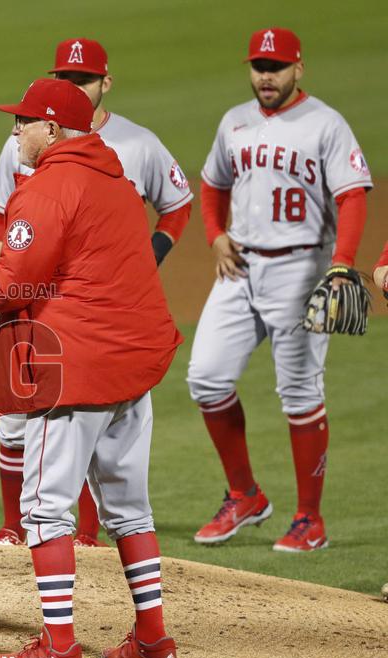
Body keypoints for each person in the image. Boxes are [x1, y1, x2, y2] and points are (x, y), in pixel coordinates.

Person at [0, 78, 182, 658]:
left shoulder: (47, 189)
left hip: (74, 371)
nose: (14, 132)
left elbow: (10, 284)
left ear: (54, 131)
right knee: (131, 510)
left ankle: (59, 650)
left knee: (43, 510)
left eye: (24, 123)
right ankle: (153, 640)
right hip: (132, 369)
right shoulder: (116, 180)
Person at [0, 37, 192, 549]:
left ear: (105, 83)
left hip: (85, 322)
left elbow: (178, 204)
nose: (71, 86)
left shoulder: (134, 145)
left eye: (82, 79)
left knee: (79, 430)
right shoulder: (23, 142)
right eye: (64, 77)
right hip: (32, 306)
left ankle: (81, 549)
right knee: (17, 427)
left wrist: (149, 256)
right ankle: (15, 530)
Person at [189, 27, 371, 551]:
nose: (266, 76)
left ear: (298, 69)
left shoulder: (326, 124)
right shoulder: (234, 122)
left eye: (276, 67)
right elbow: (212, 183)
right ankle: (245, 495)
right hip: (240, 267)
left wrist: (341, 264)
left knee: (299, 394)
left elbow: (353, 195)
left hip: (301, 270)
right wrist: (216, 235)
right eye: (258, 67)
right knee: (205, 378)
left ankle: (309, 519)